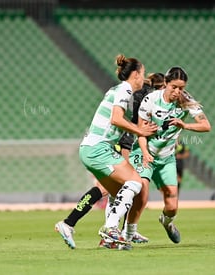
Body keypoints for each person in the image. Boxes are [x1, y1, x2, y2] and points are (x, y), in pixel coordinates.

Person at [54, 54, 158, 249]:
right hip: (97, 148)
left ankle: (71, 226)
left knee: (117, 192)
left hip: (92, 147)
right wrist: (140, 130)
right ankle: (110, 229)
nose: (143, 78)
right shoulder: (125, 89)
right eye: (142, 73)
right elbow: (116, 119)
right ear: (135, 74)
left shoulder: (118, 90)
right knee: (135, 182)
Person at [101, 66, 211, 249]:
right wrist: (144, 152)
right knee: (141, 194)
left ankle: (166, 222)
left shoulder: (186, 100)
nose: (177, 92)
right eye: (174, 87)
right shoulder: (150, 100)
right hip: (144, 153)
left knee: (172, 205)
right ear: (165, 84)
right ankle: (127, 237)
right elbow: (142, 131)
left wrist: (185, 125)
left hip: (167, 159)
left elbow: (206, 125)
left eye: (181, 88)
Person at [98, 72, 165, 248]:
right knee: (126, 186)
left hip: (126, 140)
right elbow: (132, 123)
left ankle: (115, 234)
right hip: (125, 141)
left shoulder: (143, 95)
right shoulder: (145, 97)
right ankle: (111, 232)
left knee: (122, 189)